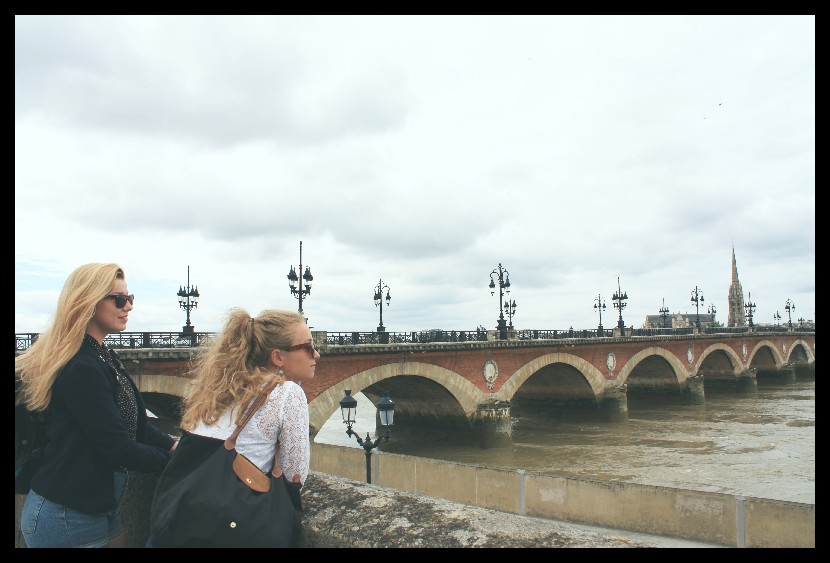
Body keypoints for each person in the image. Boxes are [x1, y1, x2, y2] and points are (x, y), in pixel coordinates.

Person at [16, 263, 177, 548]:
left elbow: (135, 425)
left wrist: (174, 445)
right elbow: (118, 447)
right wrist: (176, 462)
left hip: (96, 505)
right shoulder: (82, 367)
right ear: (88, 302)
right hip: (66, 514)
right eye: (119, 300)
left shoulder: (102, 356)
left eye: (130, 298)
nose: (128, 306)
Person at [179, 308, 316, 488]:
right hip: (236, 503)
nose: (316, 354)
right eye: (307, 347)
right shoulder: (289, 393)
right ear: (277, 357)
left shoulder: (221, 387)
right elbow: (294, 478)